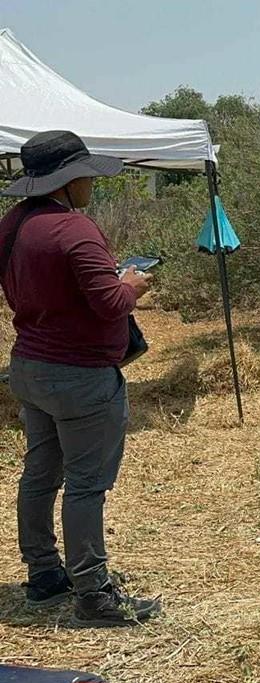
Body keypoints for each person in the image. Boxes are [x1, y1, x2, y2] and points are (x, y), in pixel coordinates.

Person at [0, 130, 160, 626]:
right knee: (86, 485)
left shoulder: (11, 225)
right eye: (85, 172)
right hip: (81, 377)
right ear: (67, 180)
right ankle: (93, 594)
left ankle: (45, 576)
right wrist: (130, 283)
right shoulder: (76, 230)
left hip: (30, 365)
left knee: (40, 473)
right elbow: (110, 303)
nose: (91, 180)